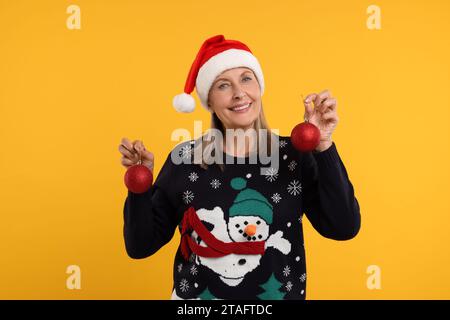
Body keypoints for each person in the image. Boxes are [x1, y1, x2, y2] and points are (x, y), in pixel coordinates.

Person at [118, 35, 361, 300]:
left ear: (259, 87)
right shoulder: (184, 160)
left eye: (246, 78)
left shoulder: (294, 156)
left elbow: (343, 227)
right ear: (209, 100)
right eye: (223, 85)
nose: (238, 93)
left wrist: (323, 145)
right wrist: (139, 190)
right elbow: (140, 246)